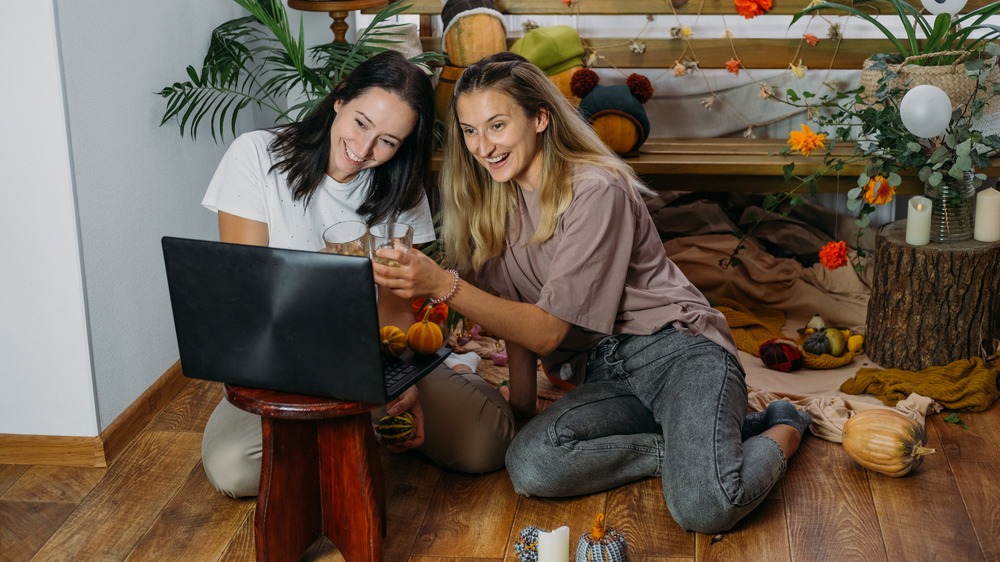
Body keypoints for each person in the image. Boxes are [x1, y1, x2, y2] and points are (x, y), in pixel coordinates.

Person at [371, 52, 811, 534]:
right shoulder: (495, 199)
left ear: (539, 118)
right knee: (531, 465)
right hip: (604, 374)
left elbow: (546, 331)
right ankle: (696, 449)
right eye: (470, 130)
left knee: (706, 508)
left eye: (496, 125)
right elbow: (511, 314)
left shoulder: (596, 190)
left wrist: (441, 285)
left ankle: (784, 426)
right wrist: (520, 408)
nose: (482, 146)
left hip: (679, 353)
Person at [199, 50, 516, 498]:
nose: (365, 150)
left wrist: (403, 383)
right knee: (234, 470)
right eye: (362, 123)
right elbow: (250, 298)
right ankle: (353, 429)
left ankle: (435, 377)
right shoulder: (255, 156)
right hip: (282, 363)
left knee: (486, 445)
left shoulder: (399, 188)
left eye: (388, 141)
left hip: (372, 357)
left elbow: (394, 311)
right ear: (340, 98)